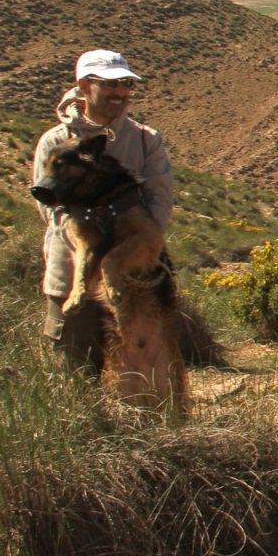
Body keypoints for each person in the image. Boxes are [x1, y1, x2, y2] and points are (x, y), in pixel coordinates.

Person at [31, 50, 173, 369]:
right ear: (83, 86)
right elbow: (52, 212)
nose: (120, 92)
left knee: (141, 373)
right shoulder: (55, 142)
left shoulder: (145, 139)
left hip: (134, 279)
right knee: (74, 370)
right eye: (109, 84)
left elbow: (159, 203)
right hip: (71, 277)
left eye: (125, 83)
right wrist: (93, 248)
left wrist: (133, 252)